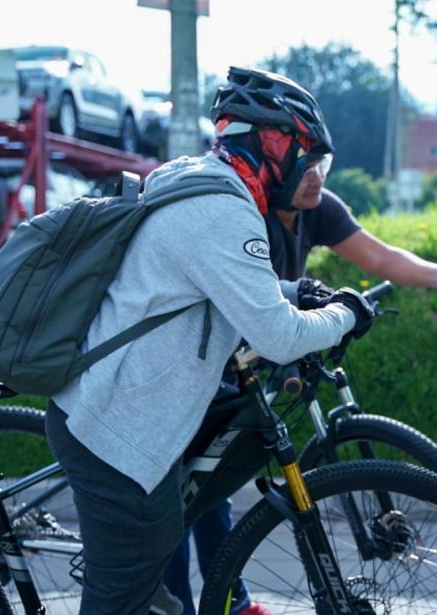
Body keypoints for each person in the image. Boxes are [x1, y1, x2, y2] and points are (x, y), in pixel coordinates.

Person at [45, 66, 375, 615]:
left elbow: (207, 280)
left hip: (124, 417)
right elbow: (278, 335)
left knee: (154, 600)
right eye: (308, 154)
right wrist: (343, 314)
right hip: (115, 432)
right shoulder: (225, 209)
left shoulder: (202, 180)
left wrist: (298, 289)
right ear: (274, 144)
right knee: (122, 603)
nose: (312, 169)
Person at [161, 88, 437, 615]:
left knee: (209, 482)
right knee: (189, 486)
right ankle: (184, 601)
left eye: (322, 165)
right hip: (208, 355)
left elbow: (378, 255)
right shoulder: (247, 212)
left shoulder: (318, 210)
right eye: (305, 164)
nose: (315, 176)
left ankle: (227, 600)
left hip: (250, 351)